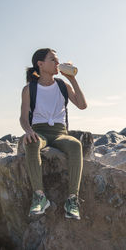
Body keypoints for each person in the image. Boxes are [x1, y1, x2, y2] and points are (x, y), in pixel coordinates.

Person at [19, 48, 87, 220]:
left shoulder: (63, 85)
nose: (57, 63)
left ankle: (72, 200)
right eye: (53, 60)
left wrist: (72, 79)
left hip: (59, 133)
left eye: (57, 60)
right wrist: (28, 131)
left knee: (75, 145)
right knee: (31, 142)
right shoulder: (29, 89)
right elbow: (23, 116)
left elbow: (82, 105)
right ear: (40, 64)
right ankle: (40, 197)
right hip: (39, 131)